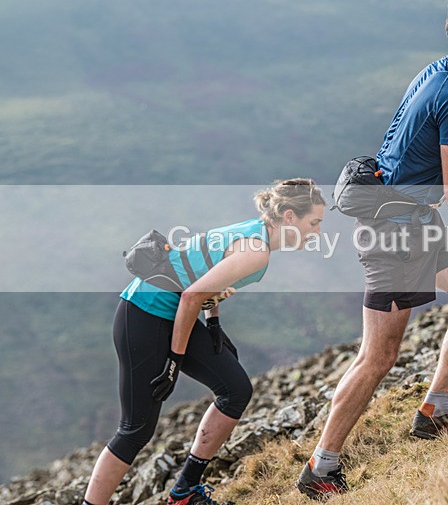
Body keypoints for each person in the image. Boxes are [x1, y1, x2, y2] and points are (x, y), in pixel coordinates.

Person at [296, 0, 448, 499]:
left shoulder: (436, 72)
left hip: (415, 222)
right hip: (394, 234)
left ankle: (435, 411)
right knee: (379, 356)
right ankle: (321, 467)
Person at [82, 179, 326, 505]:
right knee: (135, 429)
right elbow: (191, 295)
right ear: (290, 216)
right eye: (314, 223)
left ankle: (184, 492)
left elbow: (203, 274)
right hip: (143, 314)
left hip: (170, 313)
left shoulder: (254, 233)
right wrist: (174, 360)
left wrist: (213, 324)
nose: (317, 232)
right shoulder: (256, 251)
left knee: (236, 389)